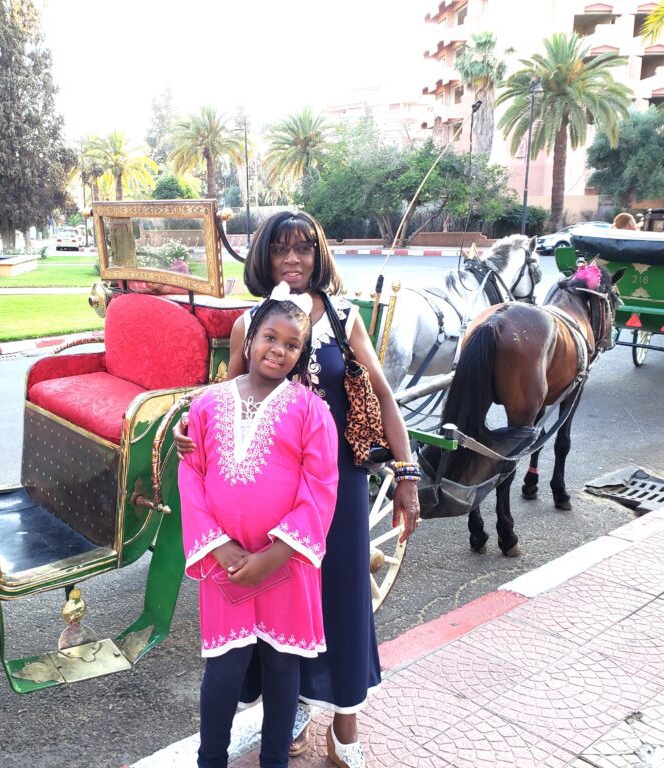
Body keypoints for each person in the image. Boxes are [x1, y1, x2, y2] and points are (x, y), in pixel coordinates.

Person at [176, 211, 421, 767]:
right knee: (278, 608)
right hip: (267, 498)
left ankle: (345, 726)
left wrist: (406, 478)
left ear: (319, 254)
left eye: (304, 249)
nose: (293, 259)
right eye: (282, 249)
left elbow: (381, 397)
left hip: (337, 490)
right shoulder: (249, 323)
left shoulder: (345, 316)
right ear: (264, 256)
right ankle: (289, 714)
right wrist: (189, 430)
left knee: (344, 602)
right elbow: (227, 397)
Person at [180, 286, 339, 768]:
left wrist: (276, 554)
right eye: (270, 337)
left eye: (292, 345)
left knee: (281, 665)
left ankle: (275, 760)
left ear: (300, 355)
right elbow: (192, 475)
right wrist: (218, 547)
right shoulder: (206, 405)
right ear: (249, 341)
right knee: (222, 672)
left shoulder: (311, 410)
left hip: (284, 565)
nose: (279, 350)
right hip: (223, 565)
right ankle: (212, 760)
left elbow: (320, 484)